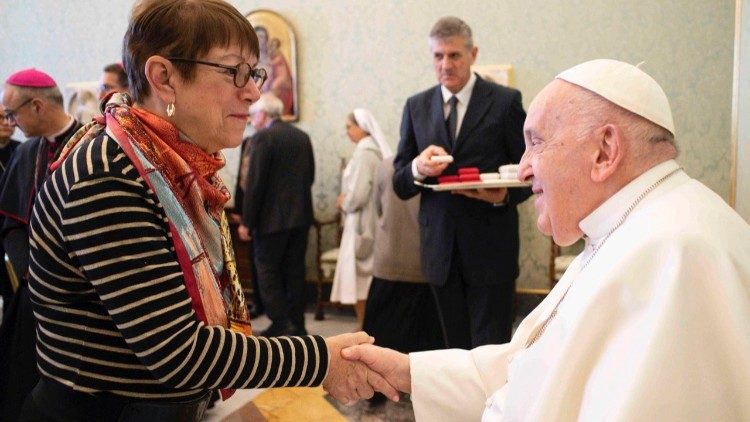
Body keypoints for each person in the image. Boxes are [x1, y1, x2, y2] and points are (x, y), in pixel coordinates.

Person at [21, 1, 394, 421]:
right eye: (234, 71)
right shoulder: (109, 171)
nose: (252, 90)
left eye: (254, 73)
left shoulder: (167, 161)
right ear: (164, 77)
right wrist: (320, 359)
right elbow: (176, 350)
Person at [342, 59, 750, 421]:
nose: (521, 170)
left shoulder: (675, 256)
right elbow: (532, 364)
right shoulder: (631, 227)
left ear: (605, 151)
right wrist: (409, 371)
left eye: (535, 142)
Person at [392, 16, 531, 349]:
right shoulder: (416, 106)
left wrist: (500, 197)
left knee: (492, 347)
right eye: (438, 56)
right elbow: (400, 181)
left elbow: (532, 172)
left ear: (473, 54)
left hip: (490, 248)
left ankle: (494, 404)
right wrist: (418, 167)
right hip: (439, 249)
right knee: (452, 348)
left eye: (454, 55)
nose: (445, 64)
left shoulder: (505, 101)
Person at [0, 67, 83, 422]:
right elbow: (11, 225)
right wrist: (32, 274)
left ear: (36, 106)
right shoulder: (25, 153)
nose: (10, 123)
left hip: (80, 301)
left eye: (11, 113)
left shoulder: (92, 145)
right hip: (34, 295)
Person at [361, 157, 443, 406]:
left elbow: (377, 207)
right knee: (429, 339)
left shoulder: (386, 165)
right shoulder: (440, 167)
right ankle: (426, 394)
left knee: (380, 336)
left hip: (390, 258)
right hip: (425, 259)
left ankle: (374, 391)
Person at [238, 92, 314, 337]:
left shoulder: (262, 138)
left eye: (252, 115)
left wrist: (247, 222)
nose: (251, 120)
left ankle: (281, 323)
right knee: (295, 271)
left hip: (270, 221)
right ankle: (298, 323)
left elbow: (255, 185)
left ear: (263, 114)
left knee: (267, 270)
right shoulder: (301, 136)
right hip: (301, 217)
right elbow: (309, 176)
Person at [330, 108, 391, 329]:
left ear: (362, 127)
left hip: (362, 221)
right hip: (369, 219)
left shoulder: (365, 153)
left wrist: (344, 202)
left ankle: (364, 324)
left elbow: (358, 194)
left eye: (349, 126)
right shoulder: (370, 150)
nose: (347, 132)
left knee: (360, 276)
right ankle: (365, 323)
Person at [0, 108, 20, 308]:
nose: (7, 122)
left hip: (13, 230)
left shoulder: (21, 150)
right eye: (0, 118)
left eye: (8, 117)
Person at [267, 38, 294, 115]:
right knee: (272, 86)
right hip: (278, 76)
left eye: (274, 45)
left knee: (274, 86)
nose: (273, 47)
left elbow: (273, 62)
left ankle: (278, 109)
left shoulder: (279, 54)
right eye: (272, 45)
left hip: (283, 76)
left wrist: (266, 61)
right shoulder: (273, 53)